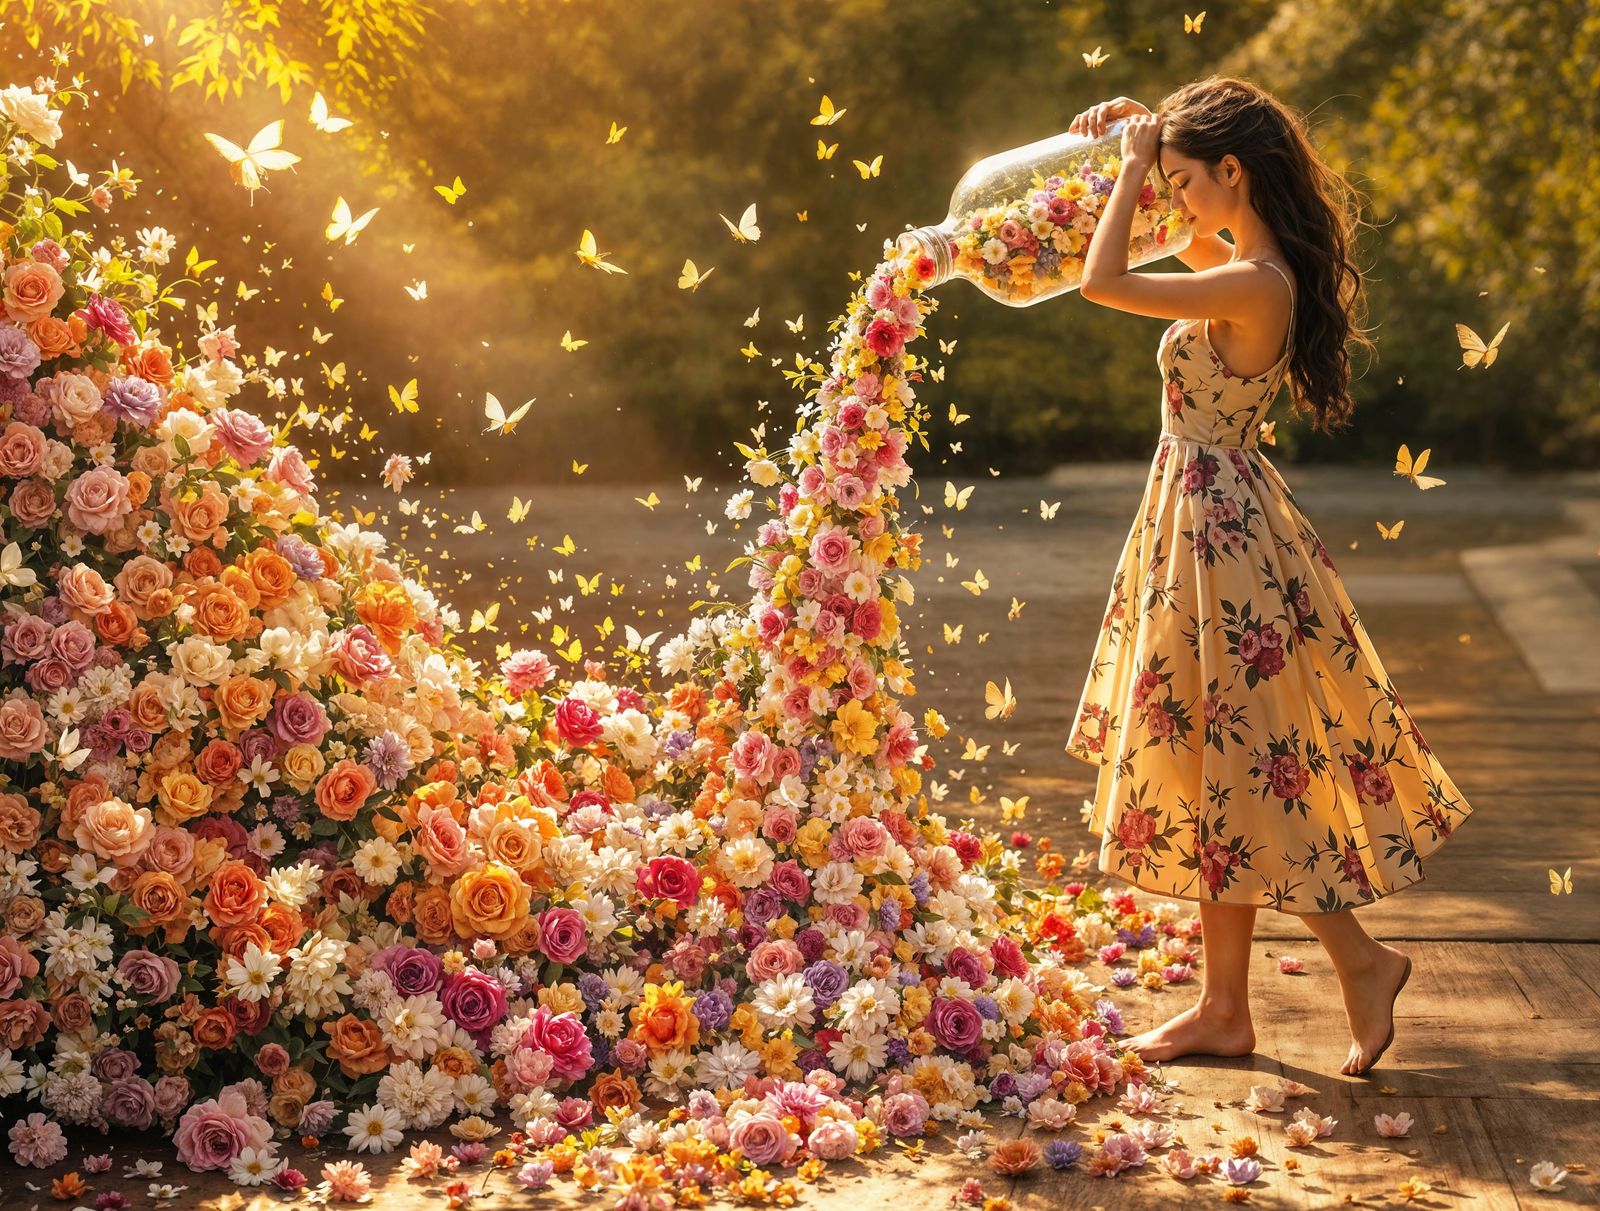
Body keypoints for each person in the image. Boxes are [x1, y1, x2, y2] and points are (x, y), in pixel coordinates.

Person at [1062, 77, 1474, 1076]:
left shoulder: (1254, 281)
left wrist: (1128, 168)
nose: (1178, 199)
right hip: (1205, 519)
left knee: (1245, 766)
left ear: (1233, 171)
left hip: (1219, 536)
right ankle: (1224, 1006)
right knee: (1218, 766)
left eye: (1186, 181)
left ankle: (1356, 958)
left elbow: (1101, 281)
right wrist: (1130, 137)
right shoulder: (1242, 262)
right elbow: (1149, 241)